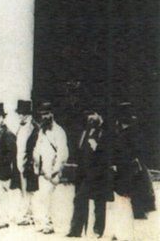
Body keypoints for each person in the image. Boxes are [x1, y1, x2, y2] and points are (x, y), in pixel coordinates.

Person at [109, 102, 156, 241]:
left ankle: (124, 235)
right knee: (130, 205)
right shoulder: (134, 132)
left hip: (127, 174)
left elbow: (126, 154)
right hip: (132, 174)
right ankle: (122, 234)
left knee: (124, 205)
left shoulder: (126, 133)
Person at [67, 109, 112, 238]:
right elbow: (80, 151)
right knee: (80, 199)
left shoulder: (105, 133)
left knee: (99, 202)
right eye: (89, 116)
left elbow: (108, 153)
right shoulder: (85, 131)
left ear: (100, 116)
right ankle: (76, 230)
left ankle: (98, 230)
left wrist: (97, 147)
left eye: (93, 115)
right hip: (84, 173)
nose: (90, 118)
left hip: (99, 173)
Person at [33, 101, 68, 234]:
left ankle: (49, 224)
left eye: (46, 114)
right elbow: (38, 148)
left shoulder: (59, 132)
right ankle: (44, 222)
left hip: (52, 170)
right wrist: (36, 164)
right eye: (42, 114)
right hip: (42, 170)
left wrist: (56, 170)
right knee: (42, 197)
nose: (44, 117)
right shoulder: (42, 131)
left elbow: (62, 153)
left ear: (52, 114)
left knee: (48, 197)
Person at [15, 99, 39, 226]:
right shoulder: (20, 127)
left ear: (27, 114)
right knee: (24, 190)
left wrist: (30, 163)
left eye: (21, 113)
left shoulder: (34, 128)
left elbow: (34, 147)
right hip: (20, 164)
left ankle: (28, 215)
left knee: (29, 191)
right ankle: (28, 214)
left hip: (28, 164)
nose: (19, 116)